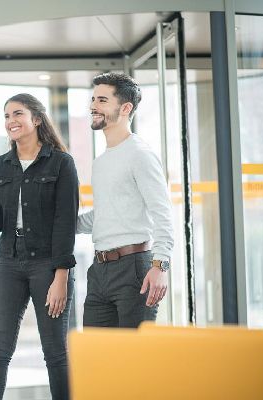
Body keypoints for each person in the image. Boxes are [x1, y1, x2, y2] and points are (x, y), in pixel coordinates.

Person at [0, 93, 78, 400]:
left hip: (48, 265)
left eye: (18, 114)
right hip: (8, 263)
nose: (11, 121)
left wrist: (61, 277)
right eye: (6, 116)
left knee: (55, 353)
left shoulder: (61, 163)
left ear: (36, 119)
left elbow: (65, 223)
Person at [77, 72, 174, 328]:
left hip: (134, 268)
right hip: (99, 271)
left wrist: (161, 266)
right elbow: (103, 214)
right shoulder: (101, 162)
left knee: (135, 352)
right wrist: (61, 224)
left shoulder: (140, 154)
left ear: (125, 108)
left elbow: (163, 213)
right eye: (93, 99)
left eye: (102, 100)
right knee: (95, 351)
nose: (93, 106)